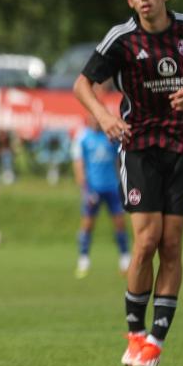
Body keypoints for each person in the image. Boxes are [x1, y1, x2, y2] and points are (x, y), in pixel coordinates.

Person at [73, 0, 183, 366]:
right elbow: (82, 84)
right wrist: (104, 119)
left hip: (180, 146)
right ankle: (135, 332)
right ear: (130, 0)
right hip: (137, 146)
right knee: (146, 241)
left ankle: (155, 341)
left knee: (172, 244)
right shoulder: (122, 38)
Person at [72, 114, 130, 279]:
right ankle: (83, 260)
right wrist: (85, 188)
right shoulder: (83, 137)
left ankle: (125, 259)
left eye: (98, 118)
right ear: (89, 119)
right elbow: (79, 164)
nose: (96, 121)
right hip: (94, 189)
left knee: (119, 224)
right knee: (87, 225)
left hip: (112, 187)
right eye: (93, 118)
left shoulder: (110, 136)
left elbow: (119, 160)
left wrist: (123, 182)